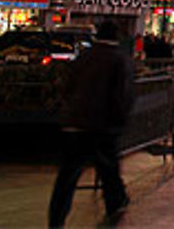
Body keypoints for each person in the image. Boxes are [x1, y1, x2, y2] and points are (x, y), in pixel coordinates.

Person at [48, 20, 135, 228]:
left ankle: (56, 218)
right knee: (109, 169)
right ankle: (115, 206)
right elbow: (122, 95)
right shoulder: (119, 60)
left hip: (76, 124)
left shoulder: (84, 57)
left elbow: (67, 86)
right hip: (103, 126)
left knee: (68, 176)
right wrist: (120, 120)